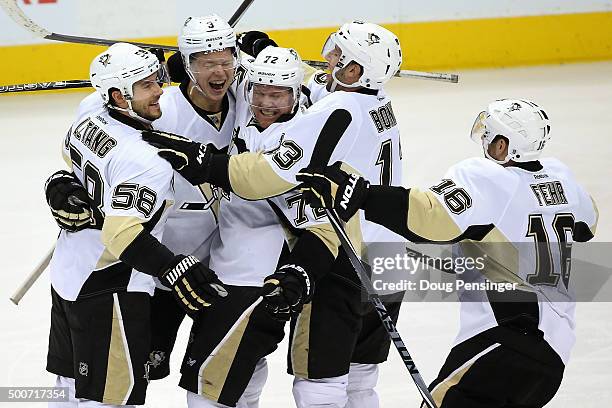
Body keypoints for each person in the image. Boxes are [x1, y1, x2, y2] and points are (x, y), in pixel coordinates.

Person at [141, 21, 405, 408]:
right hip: (386, 255)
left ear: (353, 70)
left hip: (340, 255)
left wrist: (205, 163)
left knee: (313, 385)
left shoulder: (321, 119)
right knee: (358, 381)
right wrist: (212, 62)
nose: (327, 59)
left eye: (336, 56)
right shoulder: (363, 101)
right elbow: (299, 83)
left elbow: (264, 177)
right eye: (259, 91)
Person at [296, 98, 599, 407]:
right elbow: (588, 225)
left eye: (490, 136)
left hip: (506, 340)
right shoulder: (563, 179)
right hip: (554, 357)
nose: (484, 141)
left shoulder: (490, 179)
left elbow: (430, 217)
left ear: (502, 146)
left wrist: (359, 194)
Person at [45, 42, 227, 407]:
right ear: (118, 95)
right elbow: (122, 233)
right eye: (146, 85)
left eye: (157, 80)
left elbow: (68, 158)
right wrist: (176, 268)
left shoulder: (89, 112)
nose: (160, 90)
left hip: (69, 273)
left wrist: (56, 184)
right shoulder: (145, 161)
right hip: (109, 284)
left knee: (69, 391)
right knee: (111, 398)